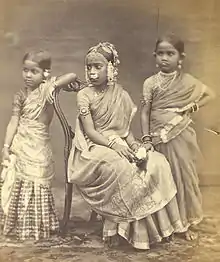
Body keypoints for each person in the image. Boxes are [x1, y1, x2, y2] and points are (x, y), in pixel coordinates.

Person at [67, 42, 187, 250]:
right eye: (89, 67)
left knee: (157, 161)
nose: (92, 72)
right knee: (123, 168)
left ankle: (161, 228)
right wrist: (115, 145)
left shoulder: (120, 94)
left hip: (118, 144)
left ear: (111, 68)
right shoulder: (84, 95)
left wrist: (135, 145)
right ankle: (116, 230)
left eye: (98, 66)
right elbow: (91, 132)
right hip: (92, 149)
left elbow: (125, 131)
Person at [140, 33, 215, 241]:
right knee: (162, 176)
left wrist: (194, 106)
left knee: (182, 176)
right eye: (161, 53)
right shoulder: (150, 83)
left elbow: (210, 94)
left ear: (180, 58)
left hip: (180, 134)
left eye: (170, 54)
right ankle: (163, 224)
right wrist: (146, 138)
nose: (165, 58)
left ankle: (183, 222)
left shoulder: (187, 81)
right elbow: (145, 112)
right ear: (155, 56)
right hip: (156, 135)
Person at [1, 50, 77, 241]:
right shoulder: (20, 95)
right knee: (17, 181)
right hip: (21, 143)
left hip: (38, 144)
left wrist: (53, 85)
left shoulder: (46, 89)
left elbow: (72, 76)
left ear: (45, 73)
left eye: (33, 71)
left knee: (37, 181)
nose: (27, 75)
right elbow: (13, 121)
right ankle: (17, 223)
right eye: (25, 70)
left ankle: (37, 224)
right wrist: (6, 146)